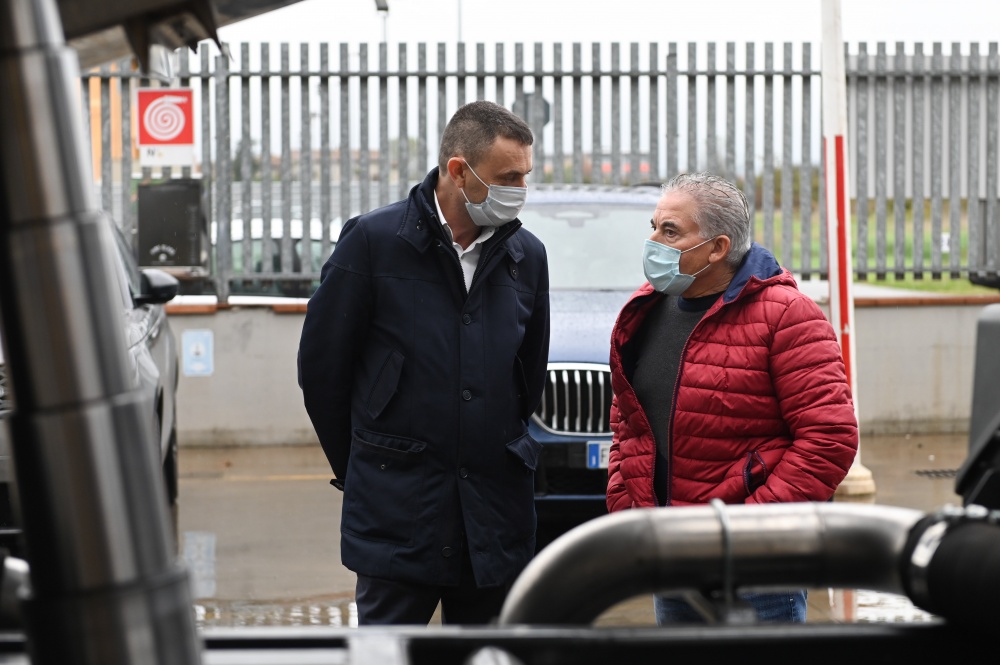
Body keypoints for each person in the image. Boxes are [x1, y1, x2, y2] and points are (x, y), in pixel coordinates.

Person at [298, 101, 550, 626]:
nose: (520, 190)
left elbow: (528, 375)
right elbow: (323, 370)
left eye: (525, 176)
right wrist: (365, 465)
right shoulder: (373, 242)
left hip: (493, 514)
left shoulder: (527, 256)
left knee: (488, 657)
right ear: (458, 171)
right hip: (398, 507)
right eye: (508, 177)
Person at [605, 172, 858, 624]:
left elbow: (829, 437)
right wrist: (629, 509)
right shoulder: (646, 309)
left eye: (670, 231)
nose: (653, 241)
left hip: (755, 572)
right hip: (672, 559)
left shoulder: (786, 315)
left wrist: (751, 531)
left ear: (718, 248)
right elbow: (628, 421)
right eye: (654, 226)